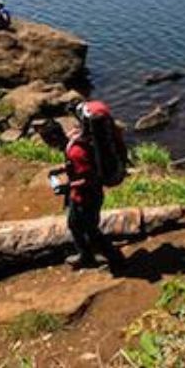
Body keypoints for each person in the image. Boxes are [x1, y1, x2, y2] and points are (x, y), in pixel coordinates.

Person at [60, 101, 125, 273]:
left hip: (83, 197)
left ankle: (108, 258)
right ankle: (90, 254)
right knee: (84, 225)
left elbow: (89, 178)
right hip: (94, 195)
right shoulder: (95, 143)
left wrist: (66, 186)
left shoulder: (79, 150)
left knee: (84, 228)